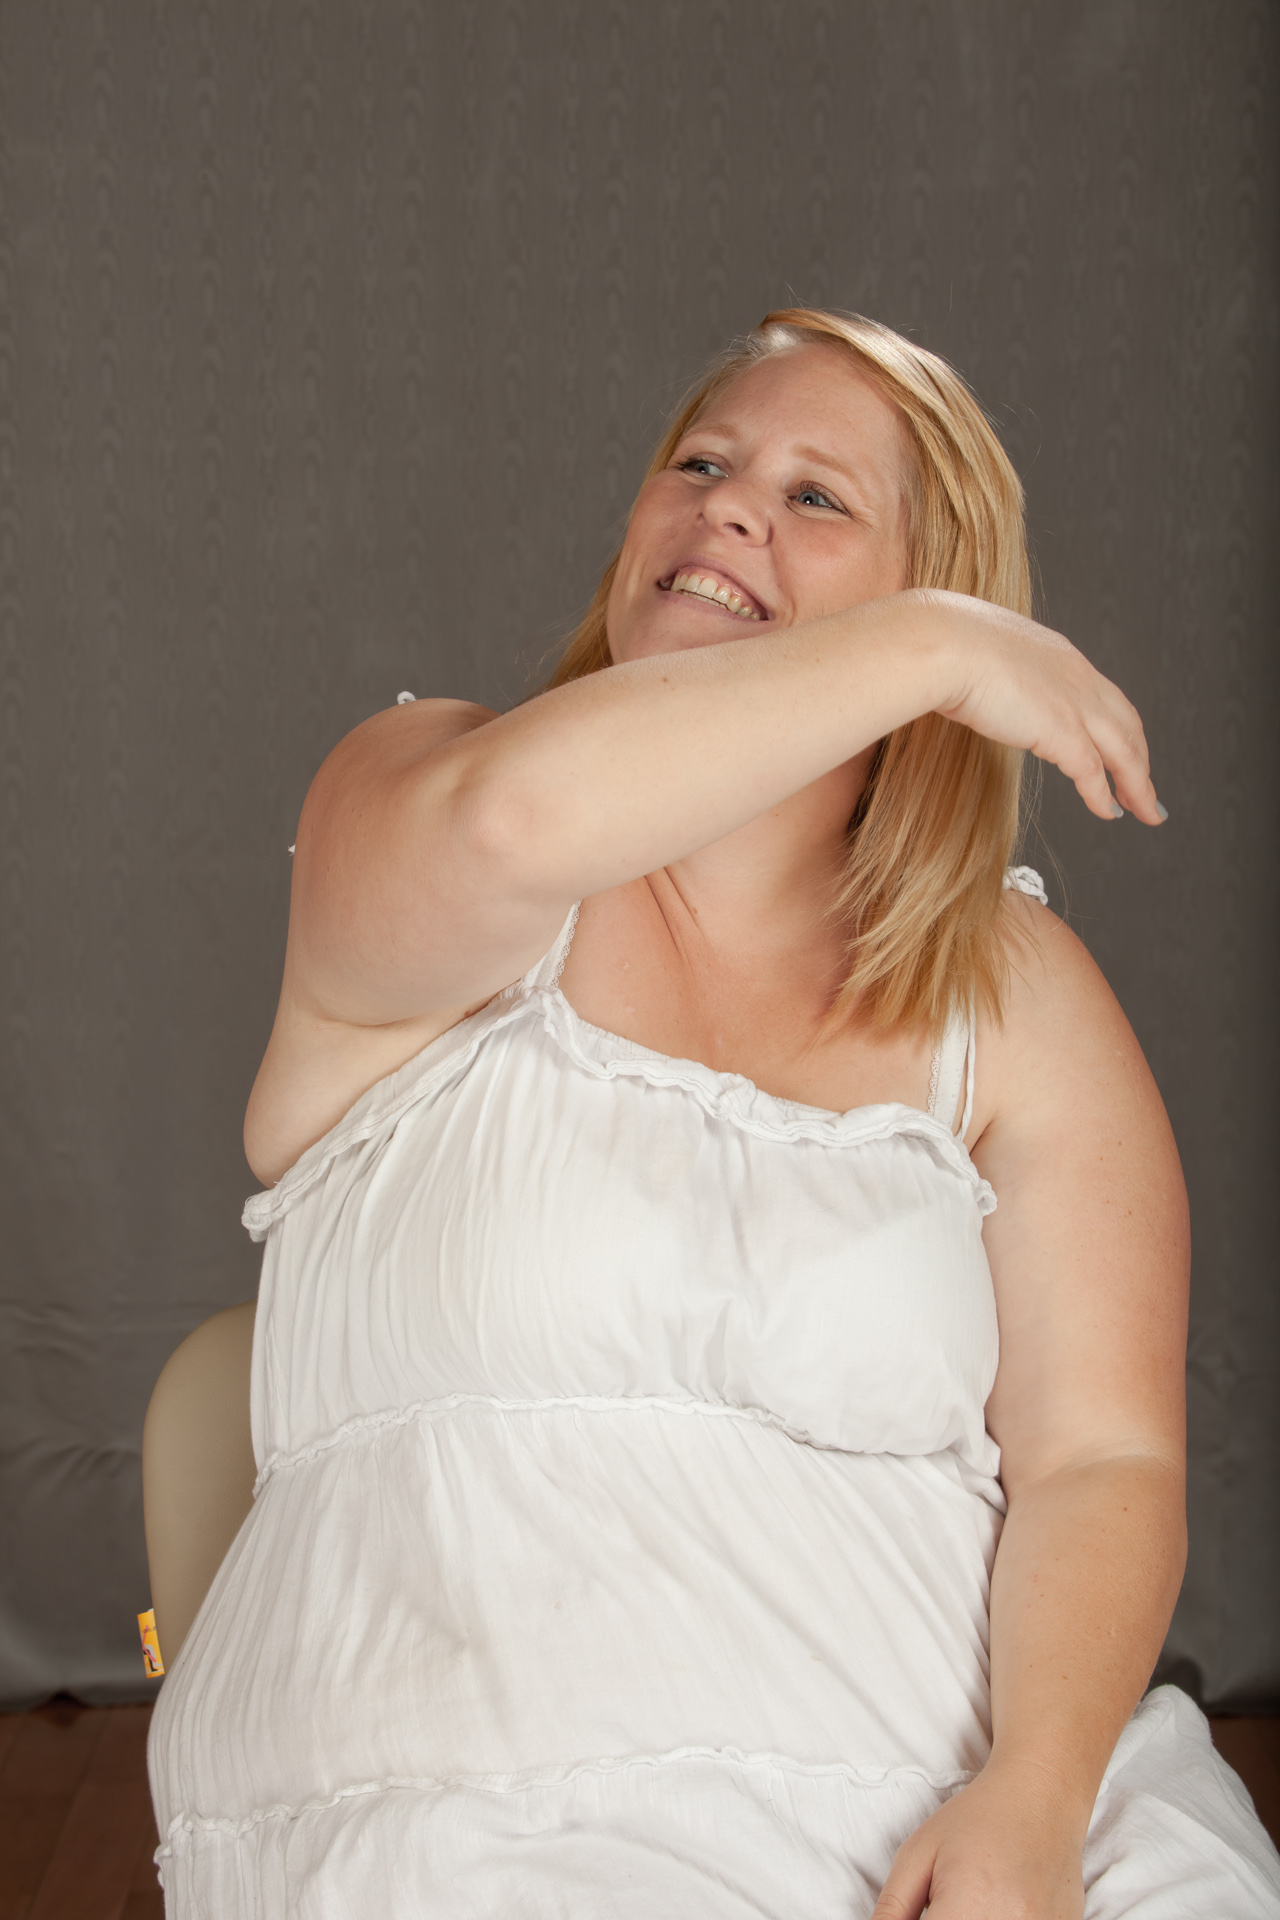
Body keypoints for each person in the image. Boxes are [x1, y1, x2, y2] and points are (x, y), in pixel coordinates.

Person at [148, 309, 1280, 1917]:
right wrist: (937, 646)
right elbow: (519, 818)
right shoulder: (426, 789)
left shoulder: (1013, 991)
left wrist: (1032, 1797)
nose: (732, 506)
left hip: (960, 1789)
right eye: (701, 464)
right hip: (485, 1802)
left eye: (818, 497)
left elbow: (1102, 1456)